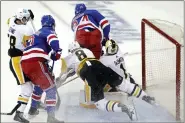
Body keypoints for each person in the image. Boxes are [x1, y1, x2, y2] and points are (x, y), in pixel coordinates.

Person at [60, 41, 137, 121]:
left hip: (90, 77)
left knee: (98, 102)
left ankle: (120, 106)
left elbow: (63, 74)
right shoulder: (87, 50)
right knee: (106, 81)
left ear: (70, 51)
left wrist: (58, 81)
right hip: (102, 71)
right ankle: (113, 90)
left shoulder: (69, 58)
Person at [21, 15, 63, 123]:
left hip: (24, 63)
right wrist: (57, 52)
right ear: (52, 24)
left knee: (39, 85)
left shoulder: (36, 34)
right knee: (51, 89)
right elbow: (54, 42)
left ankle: (33, 109)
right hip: (35, 62)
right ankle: (51, 118)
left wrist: (49, 56)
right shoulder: (49, 31)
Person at [100, 39, 155, 104]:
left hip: (119, 83)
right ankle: (146, 97)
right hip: (128, 79)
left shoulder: (104, 60)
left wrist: (100, 52)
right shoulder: (119, 52)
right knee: (136, 90)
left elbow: (96, 63)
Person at [7, 8, 37, 123]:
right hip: (18, 61)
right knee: (27, 88)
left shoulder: (11, 21)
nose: (28, 20)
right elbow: (31, 44)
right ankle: (19, 113)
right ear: (22, 18)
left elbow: (9, 20)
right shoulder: (27, 29)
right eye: (26, 18)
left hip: (18, 59)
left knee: (29, 86)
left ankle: (21, 110)